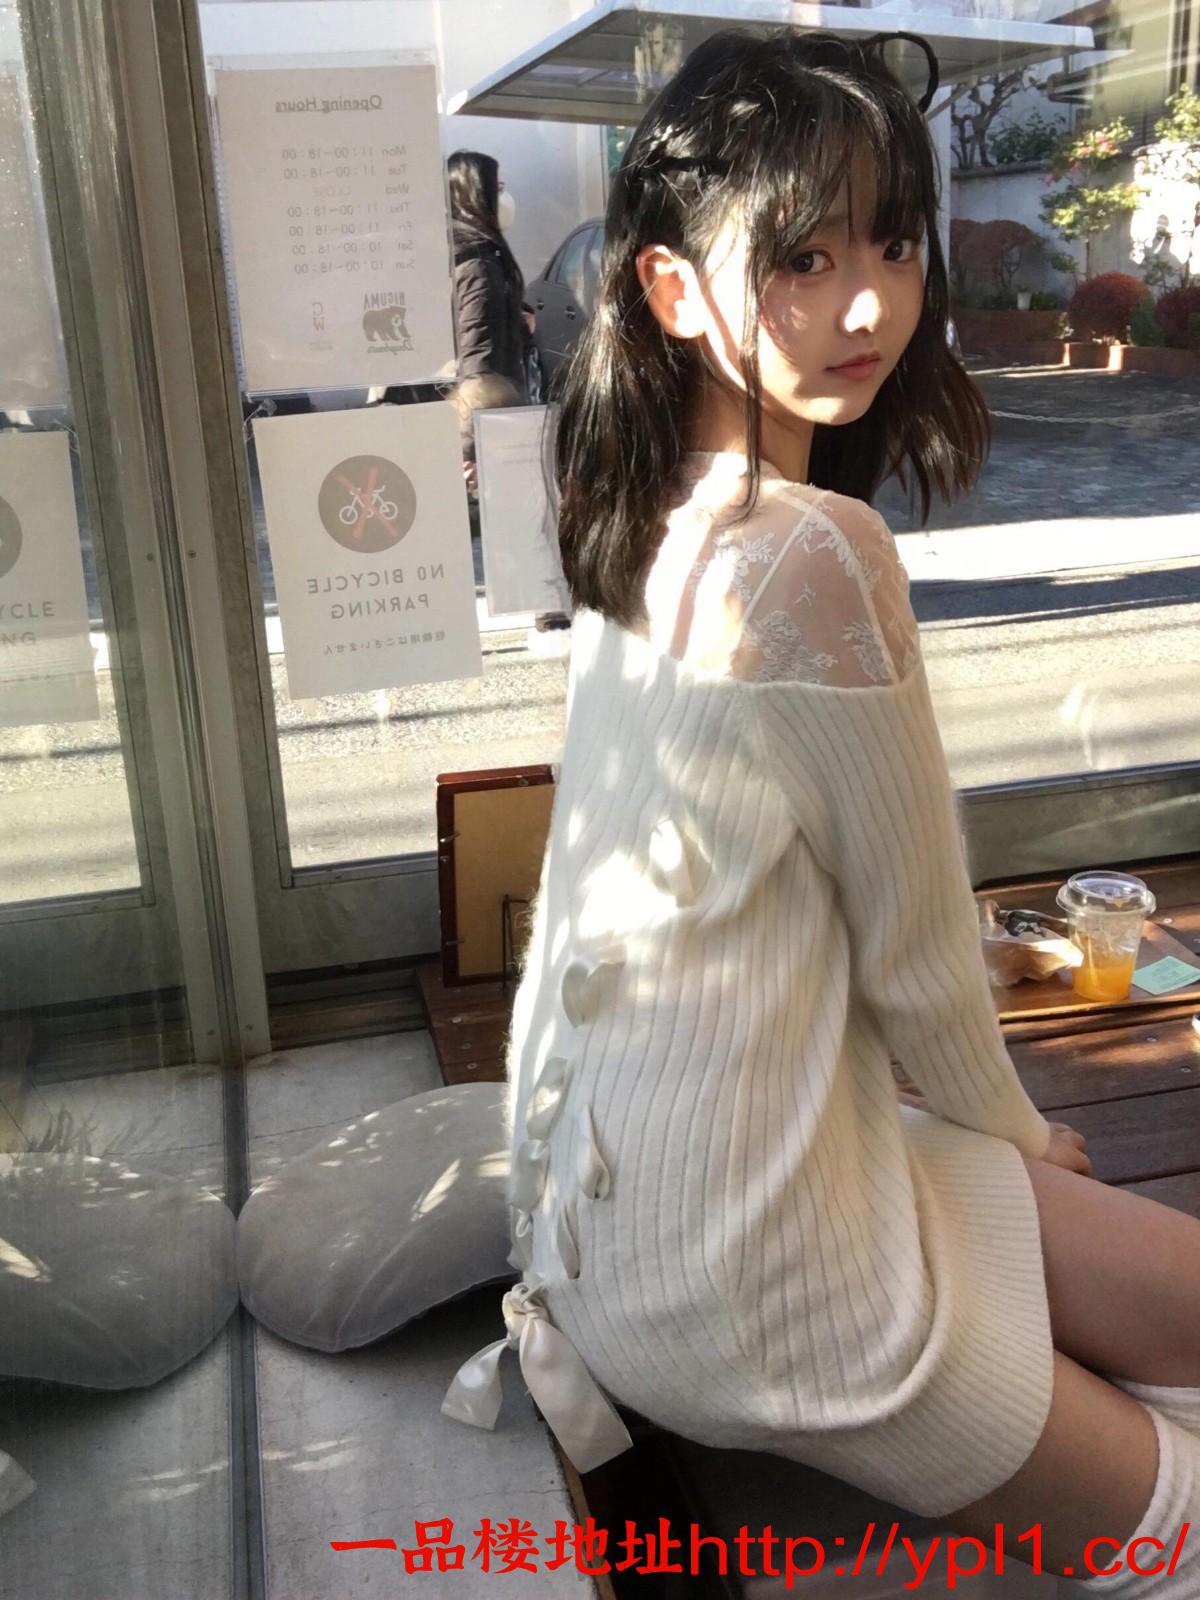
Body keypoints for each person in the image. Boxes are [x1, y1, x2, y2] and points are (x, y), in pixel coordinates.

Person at [441, 28, 1200, 1594]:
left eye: (893, 245)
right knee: (1181, 1517)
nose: (867, 304)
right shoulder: (811, 549)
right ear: (670, 291)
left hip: (623, 1218)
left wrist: (988, 1143)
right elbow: (917, 964)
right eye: (802, 257)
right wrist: (1028, 1137)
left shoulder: (636, 508)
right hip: (759, 1283)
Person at [443, 148, 570, 643]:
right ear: (474, 192)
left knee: (519, 506)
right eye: (497, 189)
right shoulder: (475, 258)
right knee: (521, 506)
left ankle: (545, 605)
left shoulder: (478, 251)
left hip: (497, 402)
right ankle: (545, 607)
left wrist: (517, 321)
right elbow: (475, 349)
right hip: (493, 407)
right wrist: (472, 438)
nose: (505, 198)